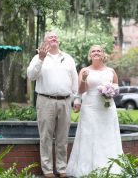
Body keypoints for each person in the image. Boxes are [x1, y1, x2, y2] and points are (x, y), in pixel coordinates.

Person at [27, 31, 79, 178]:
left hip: (65, 101)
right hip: (45, 101)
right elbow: (31, 75)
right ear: (45, 42)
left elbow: (74, 81)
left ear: (58, 41)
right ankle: (48, 170)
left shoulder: (68, 58)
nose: (54, 38)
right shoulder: (38, 57)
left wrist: (76, 99)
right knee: (46, 137)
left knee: (63, 137)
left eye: (56, 37)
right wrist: (40, 59)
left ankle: (62, 169)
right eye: (50, 37)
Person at [66, 45, 123, 177]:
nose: (96, 53)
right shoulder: (84, 71)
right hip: (90, 107)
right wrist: (84, 79)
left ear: (103, 54)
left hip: (107, 108)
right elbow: (81, 91)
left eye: (99, 51)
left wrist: (110, 91)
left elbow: (117, 88)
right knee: (89, 136)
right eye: (93, 51)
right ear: (90, 55)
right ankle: (88, 169)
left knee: (107, 136)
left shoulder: (111, 71)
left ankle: (110, 167)